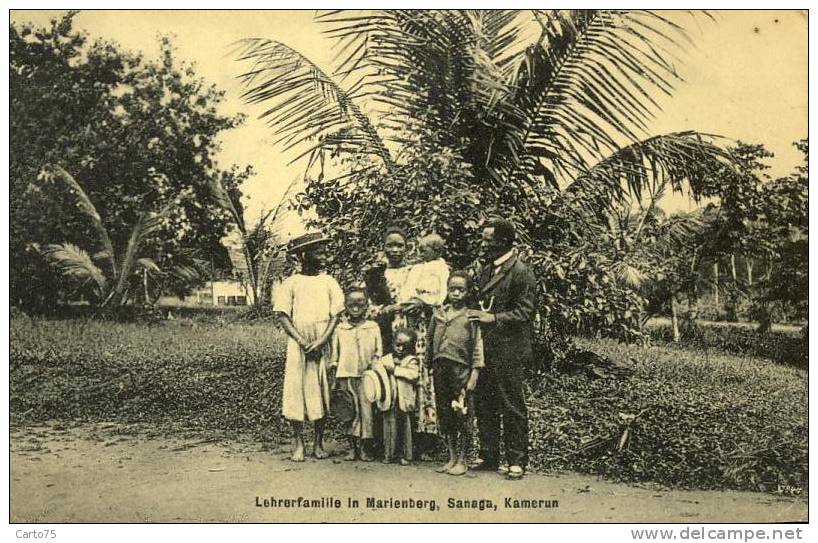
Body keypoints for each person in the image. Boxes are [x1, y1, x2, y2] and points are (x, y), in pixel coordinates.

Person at [467, 218, 537, 480]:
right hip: (486, 347)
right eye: (484, 238)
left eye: (488, 239)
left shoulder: (521, 272)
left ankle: (517, 460)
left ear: (504, 242)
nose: (484, 244)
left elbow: (525, 312)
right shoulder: (486, 270)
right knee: (485, 402)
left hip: (509, 348)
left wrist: (494, 318)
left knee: (511, 403)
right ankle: (489, 455)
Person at [273, 232, 344, 462]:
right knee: (297, 391)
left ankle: (318, 442)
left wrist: (322, 340)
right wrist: (303, 341)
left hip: (321, 342)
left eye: (324, 250)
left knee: (320, 391)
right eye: (318, 251)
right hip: (299, 344)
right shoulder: (291, 283)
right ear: (304, 255)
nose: (324, 255)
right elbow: (283, 316)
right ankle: (298, 443)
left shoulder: (329, 282)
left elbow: (336, 314)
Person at [427, 271, 484, 476]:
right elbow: (429, 340)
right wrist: (428, 366)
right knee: (445, 414)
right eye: (452, 289)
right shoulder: (439, 314)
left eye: (461, 289)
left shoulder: (471, 316)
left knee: (463, 414)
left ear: (468, 292)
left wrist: (474, 373)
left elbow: (478, 347)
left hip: (460, 371)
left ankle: (463, 459)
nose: (456, 293)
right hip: (440, 370)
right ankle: (451, 457)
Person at [401, 233, 449, 443]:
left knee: (426, 372)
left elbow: (442, 297)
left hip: (429, 325)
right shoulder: (417, 269)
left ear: (437, 251)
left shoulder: (441, 269)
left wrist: (425, 303)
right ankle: (410, 432)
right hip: (412, 324)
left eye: (424, 250)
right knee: (411, 369)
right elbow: (407, 293)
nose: (420, 253)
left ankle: (428, 432)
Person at [329, 288, 382, 461]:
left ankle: (366, 448)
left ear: (367, 305)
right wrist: (335, 377)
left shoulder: (373, 327)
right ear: (345, 305)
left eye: (360, 302)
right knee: (349, 411)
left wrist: (374, 370)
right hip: (346, 375)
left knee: (367, 413)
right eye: (352, 302)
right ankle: (352, 447)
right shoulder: (340, 329)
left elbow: (378, 352)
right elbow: (335, 356)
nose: (356, 306)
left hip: (367, 377)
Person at [379, 327, 420, 466]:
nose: (401, 349)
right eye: (398, 345)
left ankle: (406, 455)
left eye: (405, 346)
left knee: (405, 429)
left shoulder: (411, 360)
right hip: (389, 400)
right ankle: (388, 454)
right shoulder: (386, 359)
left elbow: (413, 375)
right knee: (389, 428)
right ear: (392, 343)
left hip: (403, 401)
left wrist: (395, 370)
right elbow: (377, 370)